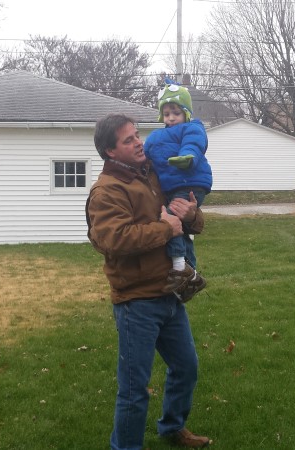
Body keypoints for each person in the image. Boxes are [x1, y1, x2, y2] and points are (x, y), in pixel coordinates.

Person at [86, 113, 212, 449]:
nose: (138, 143)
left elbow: (185, 219)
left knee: (186, 368)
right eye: (128, 140)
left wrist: (191, 216)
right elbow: (112, 239)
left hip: (170, 293)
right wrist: (165, 229)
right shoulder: (107, 191)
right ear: (110, 151)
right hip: (136, 301)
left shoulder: (154, 173)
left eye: (137, 135)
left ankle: (172, 428)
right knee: (134, 389)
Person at [144, 78, 212, 299]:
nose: (171, 118)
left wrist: (187, 157)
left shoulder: (192, 127)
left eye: (176, 112)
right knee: (179, 227)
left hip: (191, 183)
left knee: (171, 219)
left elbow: (194, 143)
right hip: (173, 188)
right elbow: (146, 154)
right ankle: (191, 275)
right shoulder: (156, 136)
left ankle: (180, 267)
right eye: (166, 114)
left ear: (186, 113)